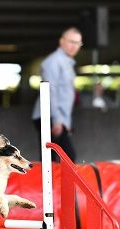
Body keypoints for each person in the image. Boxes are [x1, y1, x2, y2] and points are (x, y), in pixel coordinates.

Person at [32, 27, 83, 163]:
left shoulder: (67, 63)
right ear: (62, 41)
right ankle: (56, 184)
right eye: (71, 41)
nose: (74, 46)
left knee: (53, 160)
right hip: (50, 116)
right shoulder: (53, 62)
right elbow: (50, 90)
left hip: (58, 118)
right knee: (65, 157)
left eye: (78, 43)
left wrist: (65, 122)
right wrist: (57, 120)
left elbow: (65, 95)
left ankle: (56, 184)